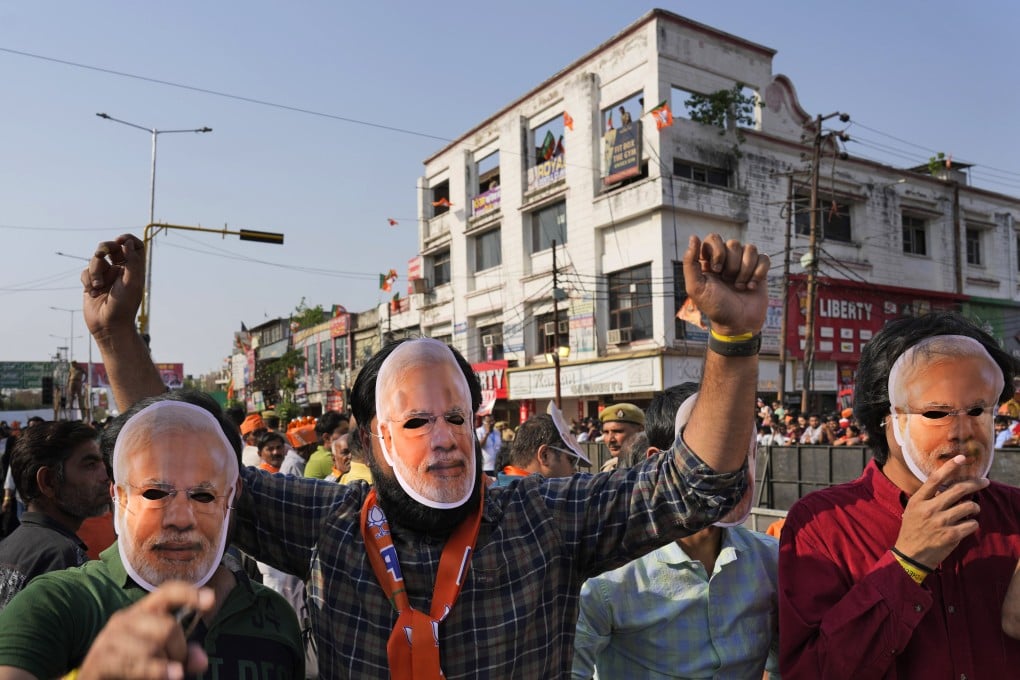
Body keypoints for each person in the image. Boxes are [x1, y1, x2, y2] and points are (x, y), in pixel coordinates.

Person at [81, 231, 767, 678]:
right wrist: (116, 337)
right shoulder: (329, 522)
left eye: (456, 418)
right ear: (374, 435)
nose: (443, 437)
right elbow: (179, 457)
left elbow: (694, 488)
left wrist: (733, 342)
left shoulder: (543, 516)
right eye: (415, 420)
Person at [779, 311, 1020, 678]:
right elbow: (811, 672)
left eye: (977, 410)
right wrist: (907, 563)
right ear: (887, 417)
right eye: (936, 412)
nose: (961, 431)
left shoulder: (1014, 514)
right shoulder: (822, 527)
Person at [0, 390, 304, 679]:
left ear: (232, 493)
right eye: (156, 492)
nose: (180, 520)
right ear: (119, 495)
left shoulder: (276, 616)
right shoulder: (56, 604)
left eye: (203, 494)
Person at [573, 382, 780, 679]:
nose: (727, 472)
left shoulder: (770, 562)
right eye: (708, 456)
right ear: (658, 460)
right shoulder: (608, 577)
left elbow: (790, 664)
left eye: (739, 450)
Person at [0, 421, 110, 610]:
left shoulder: (7, 546)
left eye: (103, 462)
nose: (106, 475)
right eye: (90, 465)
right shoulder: (62, 556)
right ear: (49, 482)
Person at [494, 407, 590, 485]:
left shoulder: (494, 493)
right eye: (571, 460)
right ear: (544, 455)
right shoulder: (533, 501)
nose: (574, 470)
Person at [598, 403, 645, 471]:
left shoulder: (654, 466)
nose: (610, 439)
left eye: (618, 431)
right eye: (606, 432)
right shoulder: (609, 467)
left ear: (640, 430)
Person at [304, 411, 347, 480]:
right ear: (327, 438)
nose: (349, 436)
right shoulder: (327, 459)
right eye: (344, 433)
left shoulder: (319, 455)